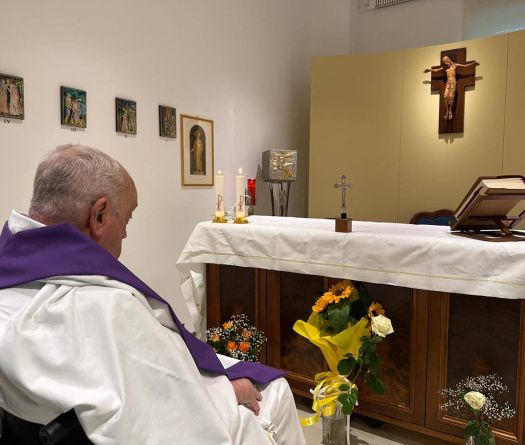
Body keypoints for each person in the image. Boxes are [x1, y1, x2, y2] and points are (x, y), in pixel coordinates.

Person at [0, 144, 306, 445]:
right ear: (100, 216)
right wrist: (232, 392)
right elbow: (172, 414)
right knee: (276, 390)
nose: (125, 233)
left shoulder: (11, 276)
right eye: (127, 218)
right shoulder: (108, 307)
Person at [423, 55, 478, 120]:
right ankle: (447, 111)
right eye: (444, 62)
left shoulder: (455, 65)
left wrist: (473, 64)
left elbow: (464, 66)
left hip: (453, 83)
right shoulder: (445, 68)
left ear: (449, 60)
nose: (446, 63)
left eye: (446, 62)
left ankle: (450, 111)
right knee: (445, 96)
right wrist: (429, 70)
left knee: (451, 97)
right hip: (448, 83)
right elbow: (437, 70)